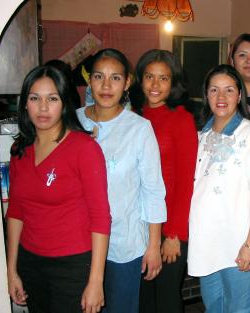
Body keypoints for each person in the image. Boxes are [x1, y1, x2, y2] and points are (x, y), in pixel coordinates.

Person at [6, 65, 111, 313]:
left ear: (64, 103)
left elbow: (100, 217)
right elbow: (16, 212)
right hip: (30, 262)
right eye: (35, 98)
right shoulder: (20, 150)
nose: (43, 107)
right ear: (24, 104)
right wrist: (12, 270)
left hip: (73, 265)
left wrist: (96, 281)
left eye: (52, 98)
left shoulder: (84, 149)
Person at [76, 48, 167, 313]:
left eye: (115, 78)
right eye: (98, 77)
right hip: (78, 242)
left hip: (124, 245)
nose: (106, 86)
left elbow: (153, 190)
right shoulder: (73, 120)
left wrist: (153, 245)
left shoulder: (139, 128)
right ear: (89, 80)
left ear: (127, 82)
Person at [187, 64, 250, 313]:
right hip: (207, 243)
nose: (221, 97)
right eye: (214, 90)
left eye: (228, 90)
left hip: (240, 244)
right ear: (206, 95)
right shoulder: (200, 137)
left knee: (240, 310)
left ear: (239, 95)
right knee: (214, 308)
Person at [130, 49, 198, 313]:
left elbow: (186, 180)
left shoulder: (181, 119)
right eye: (149, 77)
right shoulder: (133, 115)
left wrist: (175, 235)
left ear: (174, 83)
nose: (155, 85)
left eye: (164, 78)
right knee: (143, 297)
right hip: (138, 226)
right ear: (140, 79)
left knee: (167, 299)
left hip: (170, 226)